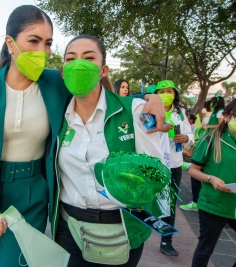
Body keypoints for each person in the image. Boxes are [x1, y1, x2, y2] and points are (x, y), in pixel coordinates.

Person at [0, 5, 166, 267]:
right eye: (34, 41)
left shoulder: (55, 83)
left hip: (31, 195)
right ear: (10, 43)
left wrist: (148, 98)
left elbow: (95, 91)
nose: (42, 51)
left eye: (48, 43)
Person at [53, 34, 169, 267]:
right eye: (70, 58)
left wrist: (122, 182)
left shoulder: (135, 111)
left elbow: (156, 174)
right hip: (70, 228)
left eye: (89, 57)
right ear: (63, 71)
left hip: (123, 228)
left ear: (103, 70)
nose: (79, 64)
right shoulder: (57, 116)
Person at [188, 98, 236, 267]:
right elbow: (193, 170)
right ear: (226, 116)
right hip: (213, 203)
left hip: (235, 205)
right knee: (205, 248)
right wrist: (211, 179)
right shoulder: (211, 139)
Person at [153, 79, 194, 256]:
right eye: (161, 92)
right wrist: (157, 128)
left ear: (175, 94)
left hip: (174, 164)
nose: (165, 95)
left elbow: (190, 135)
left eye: (169, 91)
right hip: (153, 163)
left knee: (169, 204)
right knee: (147, 200)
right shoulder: (148, 110)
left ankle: (166, 240)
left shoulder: (181, 113)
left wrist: (184, 138)